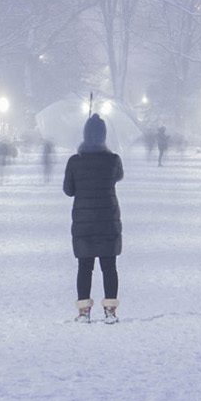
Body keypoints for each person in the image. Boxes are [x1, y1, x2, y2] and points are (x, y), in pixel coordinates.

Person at [63, 113, 124, 323]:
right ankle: (110, 311)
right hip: (108, 219)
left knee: (84, 267)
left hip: (84, 221)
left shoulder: (75, 161)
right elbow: (118, 176)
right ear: (104, 136)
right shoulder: (113, 160)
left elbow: (68, 190)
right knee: (109, 267)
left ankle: (83, 312)